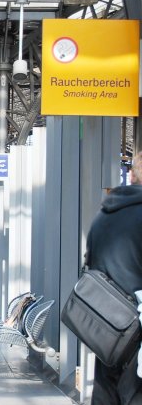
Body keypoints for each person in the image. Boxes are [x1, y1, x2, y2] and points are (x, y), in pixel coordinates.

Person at [85, 152, 142, 404]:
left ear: (132, 176)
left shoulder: (104, 214)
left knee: (106, 393)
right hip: (137, 331)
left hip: (107, 329)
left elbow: (91, 263)